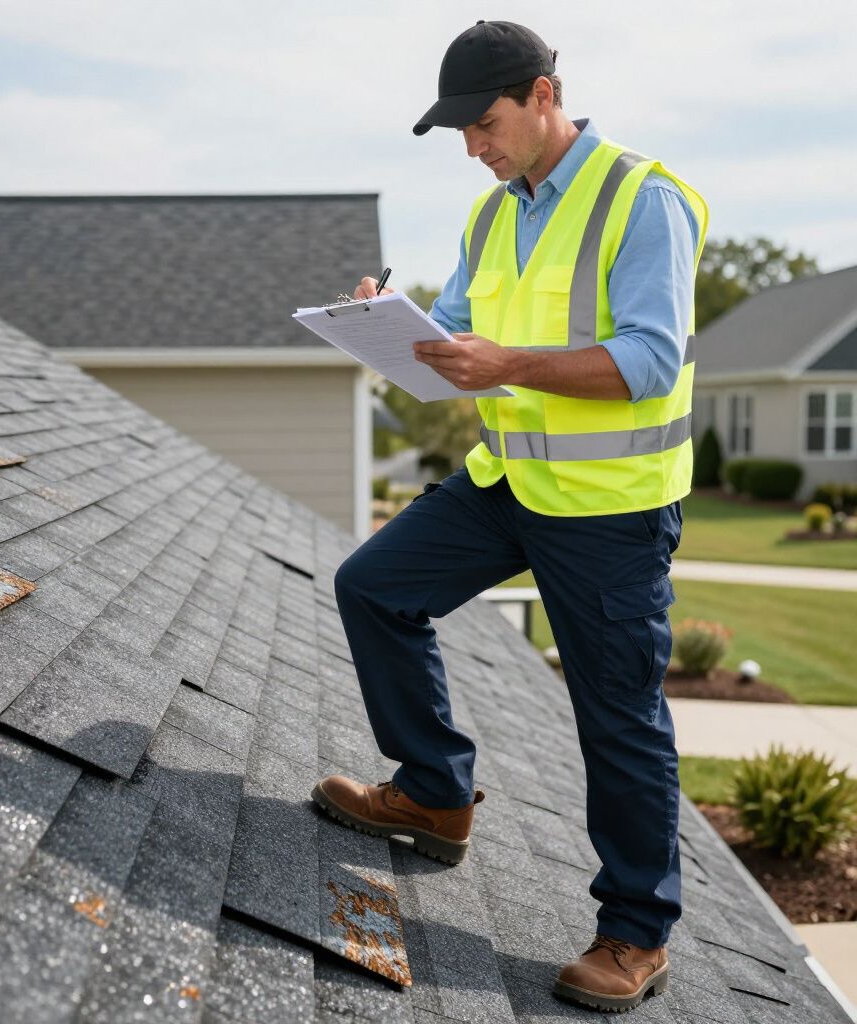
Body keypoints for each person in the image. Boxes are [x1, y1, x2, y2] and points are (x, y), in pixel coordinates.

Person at [310, 19, 708, 1014]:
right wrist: (394, 325)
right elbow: (463, 337)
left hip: (610, 509)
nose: (474, 147)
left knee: (616, 719)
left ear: (541, 95)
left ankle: (634, 933)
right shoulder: (493, 217)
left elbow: (650, 361)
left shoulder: (642, 200)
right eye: (459, 133)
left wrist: (504, 365)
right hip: (510, 481)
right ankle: (437, 794)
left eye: (483, 123)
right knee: (374, 587)